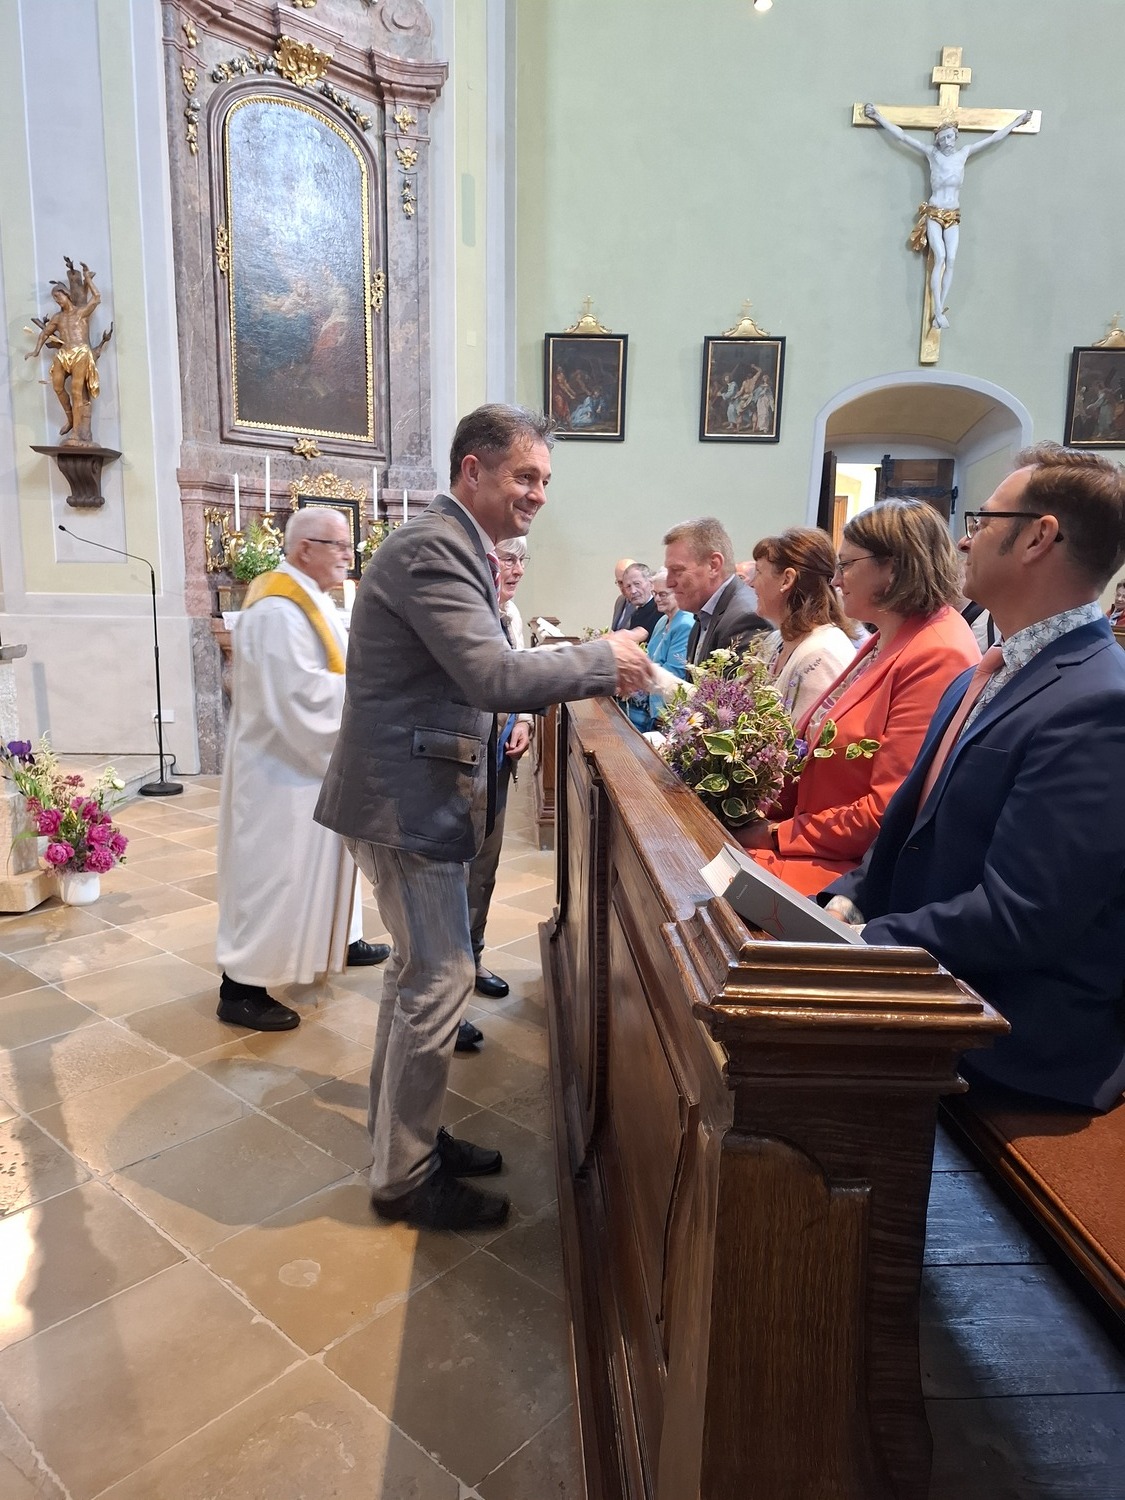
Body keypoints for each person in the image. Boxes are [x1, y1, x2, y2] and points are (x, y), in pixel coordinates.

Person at [314, 403, 652, 1231]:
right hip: (406, 798)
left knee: (418, 975)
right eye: (524, 476)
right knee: (439, 978)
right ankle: (404, 1177)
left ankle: (403, 1141)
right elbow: (489, 676)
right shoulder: (435, 546)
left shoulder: (457, 545)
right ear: (473, 470)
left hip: (407, 790)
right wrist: (600, 659)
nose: (538, 494)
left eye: (545, 479)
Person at [824, 444, 1125, 1112]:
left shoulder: (1099, 703)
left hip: (1005, 1037)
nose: (963, 538)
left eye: (982, 521)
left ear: (1038, 538)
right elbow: (913, 826)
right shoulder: (980, 675)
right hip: (934, 989)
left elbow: (1023, 914)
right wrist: (843, 902)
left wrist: (864, 944)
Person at [741, 499, 980, 897]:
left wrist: (776, 834)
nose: (835, 580)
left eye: (847, 564)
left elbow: (888, 811)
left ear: (895, 567)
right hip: (818, 841)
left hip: (853, 873)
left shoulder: (937, 652)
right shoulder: (889, 633)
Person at [215, 507, 388, 1032]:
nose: (348, 555)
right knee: (273, 877)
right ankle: (240, 988)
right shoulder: (277, 609)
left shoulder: (308, 596)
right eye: (337, 545)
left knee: (317, 866)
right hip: (279, 775)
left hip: (305, 770)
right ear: (304, 548)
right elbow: (298, 697)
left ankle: (336, 940)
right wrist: (375, 689)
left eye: (348, 545)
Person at [863, 104, 1032, 330]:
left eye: (950, 136)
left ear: (956, 136)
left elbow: (993, 138)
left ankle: (940, 310)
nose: (947, 142)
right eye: (943, 138)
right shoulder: (932, 154)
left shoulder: (964, 153)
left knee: (951, 259)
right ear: (938, 141)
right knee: (940, 257)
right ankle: (937, 310)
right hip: (935, 212)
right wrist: (877, 117)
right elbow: (902, 137)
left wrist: (1017, 122)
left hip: (953, 214)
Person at [465, 535, 534, 1011]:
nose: (518, 569)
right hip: (462, 761)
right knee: (454, 871)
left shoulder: (512, 615)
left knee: (485, 867)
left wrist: (524, 720)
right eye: (509, 558)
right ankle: (449, 983)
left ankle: (472, 958)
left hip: (498, 760)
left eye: (523, 559)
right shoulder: (470, 612)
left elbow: (520, 675)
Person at [750, 527, 858, 722]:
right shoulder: (775, 640)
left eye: (758, 572)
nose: (751, 583)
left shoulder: (822, 655)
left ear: (787, 579)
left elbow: (808, 737)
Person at [25, 262, 112, 443]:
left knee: (76, 391)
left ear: (66, 294)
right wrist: (35, 351)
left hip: (80, 352)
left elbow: (97, 298)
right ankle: (71, 419)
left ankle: (76, 433)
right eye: (54, 298)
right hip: (64, 354)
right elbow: (45, 333)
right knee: (57, 386)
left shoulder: (81, 313)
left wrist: (87, 279)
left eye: (58, 296)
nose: (57, 300)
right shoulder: (58, 318)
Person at [663, 517, 769, 665]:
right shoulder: (704, 614)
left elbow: (727, 681)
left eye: (677, 570)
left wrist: (650, 672)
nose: (669, 583)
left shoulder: (745, 619)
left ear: (713, 565)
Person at [624, 569, 693, 732]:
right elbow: (648, 658)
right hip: (650, 701)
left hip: (667, 709)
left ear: (678, 593)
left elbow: (674, 673)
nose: (656, 599)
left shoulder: (685, 624)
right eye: (655, 593)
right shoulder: (663, 620)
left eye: (663, 594)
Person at [619, 562, 661, 638]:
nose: (633, 591)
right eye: (628, 586)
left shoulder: (660, 609)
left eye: (637, 584)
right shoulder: (635, 615)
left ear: (651, 583)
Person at [610, 556, 637, 629]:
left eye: (627, 582)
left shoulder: (645, 603)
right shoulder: (620, 601)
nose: (624, 587)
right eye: (620, 583)